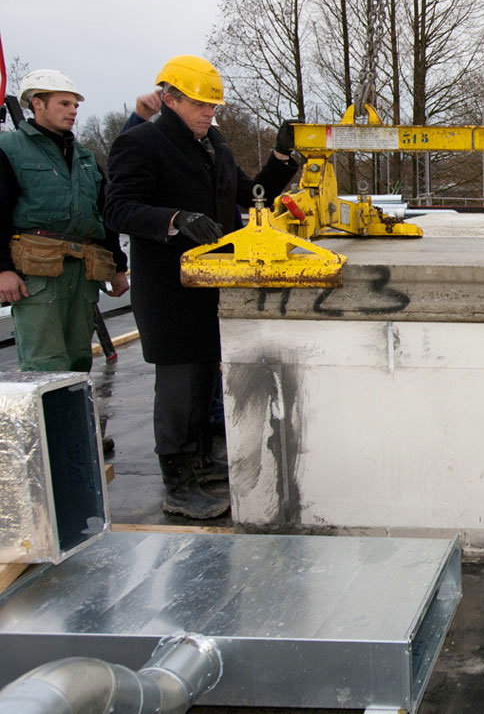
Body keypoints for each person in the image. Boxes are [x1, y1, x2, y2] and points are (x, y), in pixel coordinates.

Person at [105, 55, 299, 520]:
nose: (209, 112)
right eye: (199, 104)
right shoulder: (141, 144)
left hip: (212, 286)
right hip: (170, 289)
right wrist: (175, 219)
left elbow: (253, 195)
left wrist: (281, 159)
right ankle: (177, 481)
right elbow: (118, 209)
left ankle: (201, 464)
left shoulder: (214, 145)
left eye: (213, 105)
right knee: (178, 386)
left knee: (205, 381)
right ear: (169, 99)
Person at [0, 70, 130, 375]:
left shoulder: (85, 159)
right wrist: (3, 269)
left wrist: (119, 267)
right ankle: (53, 424)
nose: (73, 111)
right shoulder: (9, 150)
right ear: (37, 104)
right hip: (37, 276)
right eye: (64, 103)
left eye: (75, 105)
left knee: (78, 361)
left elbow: (103, 217)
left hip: (82, 274)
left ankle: (75, 423)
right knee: (44, 366)